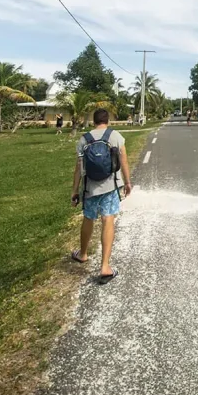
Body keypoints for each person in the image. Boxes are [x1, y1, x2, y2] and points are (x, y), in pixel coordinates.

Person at [70, 108, 131, 284]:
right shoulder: (115, 136)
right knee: (107, 219)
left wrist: (75, 190)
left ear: (94, 121)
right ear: (107, 121)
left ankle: (82, 254)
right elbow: (124, 161)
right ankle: (105, 266)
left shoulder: (84, 139)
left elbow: (78, 168)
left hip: (90, 188)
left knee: (88, 219)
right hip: (110, 187)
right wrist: (127, 182)